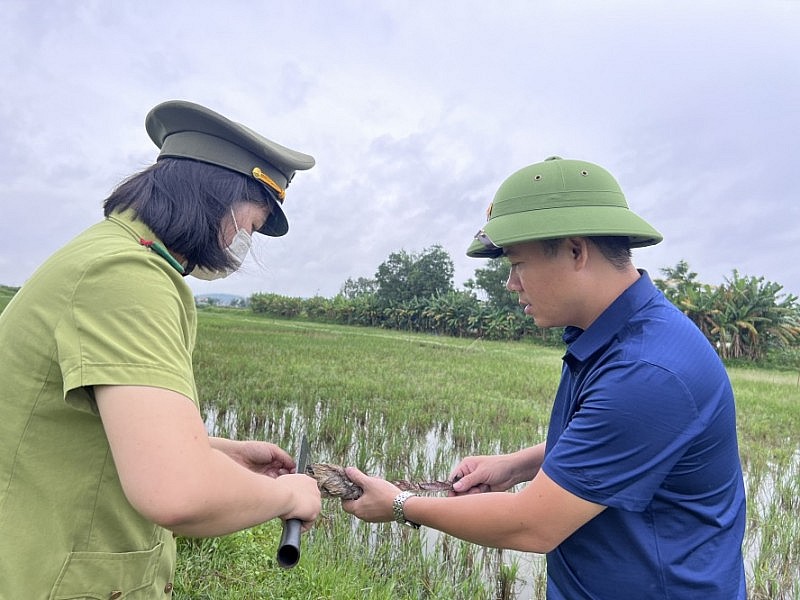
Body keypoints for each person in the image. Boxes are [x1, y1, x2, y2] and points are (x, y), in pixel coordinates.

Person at [341, 156, 746, 599]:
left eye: (517, 264)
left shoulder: (647, 371)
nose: (511, 284)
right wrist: (517, 464)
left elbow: (532, 525)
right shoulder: (615, 336)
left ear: (576, 251)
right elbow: (609, 443)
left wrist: (400, 505)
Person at [0, 100, 322, 597]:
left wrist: (220, 453)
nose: (244, 245)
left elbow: (86, 426)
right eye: (251, 227)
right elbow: (178, 491)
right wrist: (285, 495)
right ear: (214, 199)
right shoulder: (126, 277)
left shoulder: (107, 253)